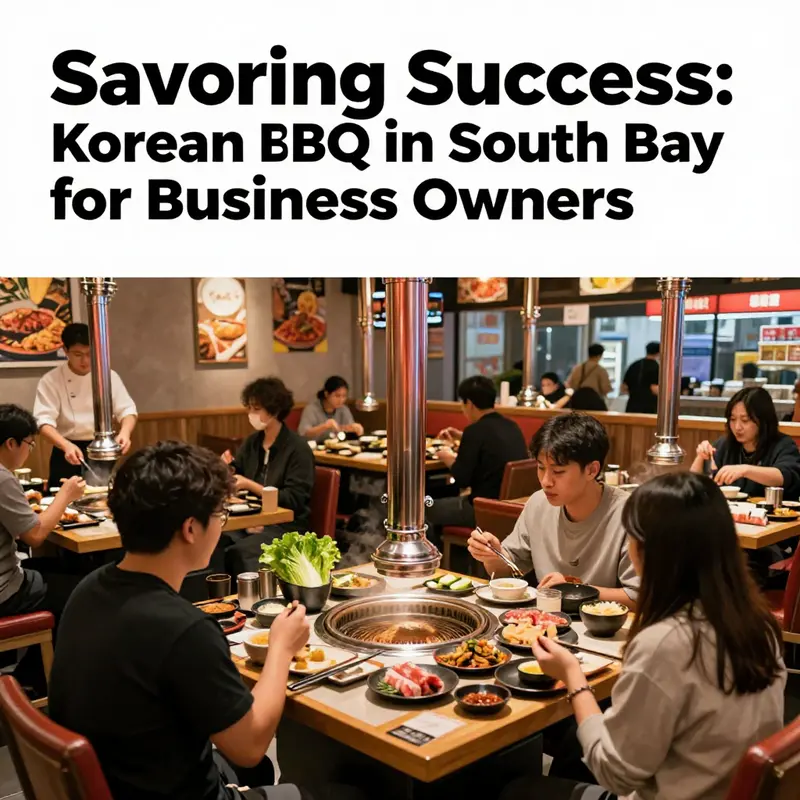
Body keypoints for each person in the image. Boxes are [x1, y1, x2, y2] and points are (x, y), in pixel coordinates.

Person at [48, 441, 322, 800]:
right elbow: (251, 743)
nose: (221, 526)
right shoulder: (183, 629)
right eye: (220, 515)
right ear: (190, 528)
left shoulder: (88, 589)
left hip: (118, 781)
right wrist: (281, 648)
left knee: (257, 771)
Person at [500, 472, 786, 800]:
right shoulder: (758, 623)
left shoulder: (666, 643)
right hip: (720, 784)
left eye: (631, 536)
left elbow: (616, 775)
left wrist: (573, 676)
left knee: (517, 791)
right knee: (571, 741)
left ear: (653, 551)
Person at [468, 414, 638, 606]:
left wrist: (575, 591)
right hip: (544, 623)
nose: (546, 481)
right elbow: (507, 571)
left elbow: (639, 598)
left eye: (558, 472)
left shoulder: (629, 515)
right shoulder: (538, 503)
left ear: (592, 470)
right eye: (541, 468)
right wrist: (492, 555)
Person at [0, 404, 85, 694]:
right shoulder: (2, 477)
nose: (28, 451)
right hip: (4, 592)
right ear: (11, 443)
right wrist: (66, 495)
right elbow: (35, 536)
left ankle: (28, 673)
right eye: (29, 444)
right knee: (81, 593)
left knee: (54, 570)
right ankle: (42, 682)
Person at [223, 377, 315, 574]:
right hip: (251, 519)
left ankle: (249, 600)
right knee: (215, 541)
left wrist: (250, 485)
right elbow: (237, 473)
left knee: (240, 552)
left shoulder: (298, 448)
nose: (250, 414)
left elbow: (293, 500)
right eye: (249, 408)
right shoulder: (252, 442)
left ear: (274, 411)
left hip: (286, 527)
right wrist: (227, 468)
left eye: (256, 409)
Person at [33, 322, 137, 486]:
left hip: (102, 449)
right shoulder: (51, 380)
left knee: (105, 499)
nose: (85, 360)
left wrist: (125, 433)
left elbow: (127, 409)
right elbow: (42, 421)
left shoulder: (108, 376)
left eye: (90, 353)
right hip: (66, 451)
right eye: (78, 354)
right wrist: (65, 445)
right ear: (65, 351)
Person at [428, 375, 528, 542]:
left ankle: (435, 562)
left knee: (422, 509)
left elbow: (462, 479)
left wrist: (446, 457)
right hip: (510, 509)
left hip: (483, 509)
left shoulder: (475, 431)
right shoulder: (511, 426)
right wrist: (461, 436)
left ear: (469, 403)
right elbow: (490, 444)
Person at [691, 386, 800, 500]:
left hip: (774, 515)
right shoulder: (725, 444)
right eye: (732, 419)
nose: (737, 427)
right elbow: (693, 485)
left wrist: (745, 470)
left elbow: (785, 476)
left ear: (763, 420)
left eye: (745, 420)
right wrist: (700, 457)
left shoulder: (783, 445)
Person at [298, 376, 363, 443]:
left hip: (337, 447)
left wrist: (355, 429)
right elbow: (304, 434)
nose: (341, 400)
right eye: (337, 396)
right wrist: (325, 426)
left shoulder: (343, 409)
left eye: (344, 396)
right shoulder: (311, 409)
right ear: (326, 394)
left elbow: (348, 429)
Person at [621, 342, 660, 414]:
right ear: (659, 352)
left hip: (632, 404)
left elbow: (624, 388)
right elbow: (654, 388)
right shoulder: (656, 367)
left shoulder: (634, 365)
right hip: (649, 406)